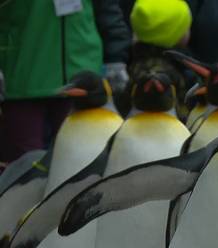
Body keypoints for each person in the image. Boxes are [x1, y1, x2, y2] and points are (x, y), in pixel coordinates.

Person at [0, 0, 131, 164]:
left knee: (83, 164)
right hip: (21, 78)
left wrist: (116, 55)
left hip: (82, 81)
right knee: (24, 169)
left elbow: (106, 9)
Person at [116, 0, 193, 119]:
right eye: (186, 28)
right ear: (176, 34)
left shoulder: (134, 64)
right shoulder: (173, 71)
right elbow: (183, 113)